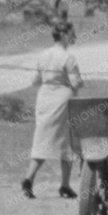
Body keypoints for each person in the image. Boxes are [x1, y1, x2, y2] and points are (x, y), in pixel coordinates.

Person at [22, 21, 84, 199]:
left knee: (42, 138)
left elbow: (35, 81)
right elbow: (75, 83)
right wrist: (80, 82)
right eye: (72, 33)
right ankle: (64, 184)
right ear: (64, 35)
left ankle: (29, 178)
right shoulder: (68, 57)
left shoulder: (43, 54)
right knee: (66, 141)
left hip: (44, 99)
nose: (74, 37)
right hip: (62, 100)